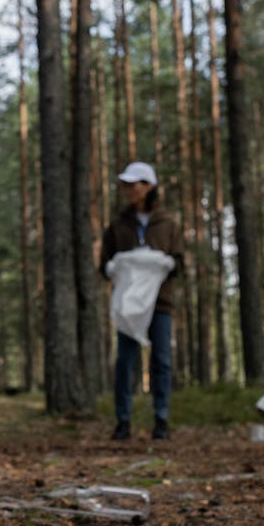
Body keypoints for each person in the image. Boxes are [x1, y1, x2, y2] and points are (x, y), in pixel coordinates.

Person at [99, 162, 186, 441]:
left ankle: (161, 419)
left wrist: (165, 264)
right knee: (125, 361)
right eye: (124, 185)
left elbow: (180, 264)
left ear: (148, 187)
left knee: (161, 361)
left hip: (160, 304)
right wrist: (113, 268)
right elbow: (104, 263)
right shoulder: (118, 225)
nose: (127, 190)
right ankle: (122, 421)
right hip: (128, 306)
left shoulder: (169, 224)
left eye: (132, 184)